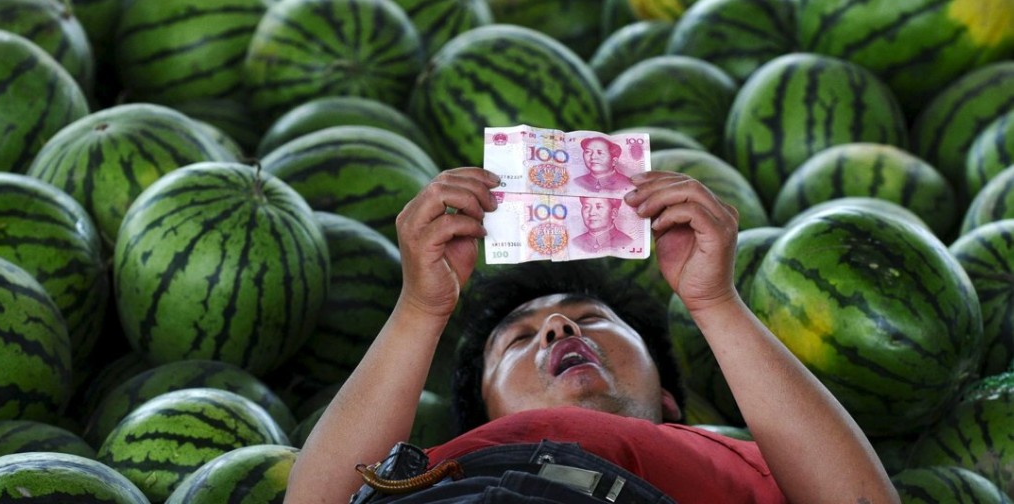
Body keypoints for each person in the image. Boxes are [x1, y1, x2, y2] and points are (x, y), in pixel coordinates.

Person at [286, 168, 900, 504]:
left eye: (593, 318)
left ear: (668, 402)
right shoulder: (446, 466)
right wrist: (421, 309)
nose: (558, 325)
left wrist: (716, 302)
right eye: (517, 340)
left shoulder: (752, 459)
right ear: (481, 420)